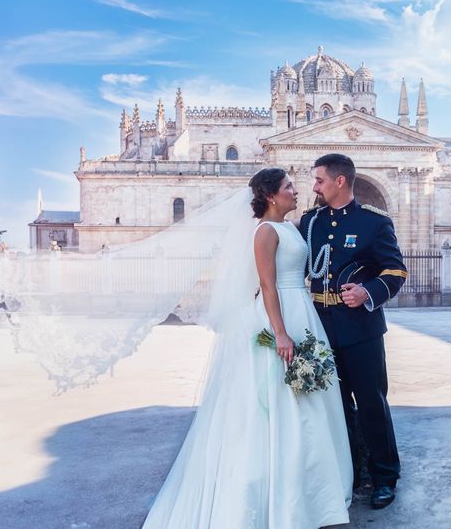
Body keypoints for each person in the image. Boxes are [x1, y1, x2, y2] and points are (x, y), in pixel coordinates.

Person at [140, 168, 352, 528]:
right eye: (288, 187)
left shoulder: (291, 227)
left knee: (312, 399)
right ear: (271, 195)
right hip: (282, 314)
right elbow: (268, 287)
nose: (295, 191)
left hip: (302, 310)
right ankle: (282, 491)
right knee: (280, 401)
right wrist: (281, 333)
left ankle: (315, 487)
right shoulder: (265, 231)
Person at [299, 153, 407, 510]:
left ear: (339, 181)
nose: (314, 186)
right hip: (320, 327)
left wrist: (368, 292)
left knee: (372, 402)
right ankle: (352, 471)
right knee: (335, 405)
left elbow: (395, 271)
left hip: (361, 328)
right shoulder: (310, 221)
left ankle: (384, 476)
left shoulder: (373, 222)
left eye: (319, 180)